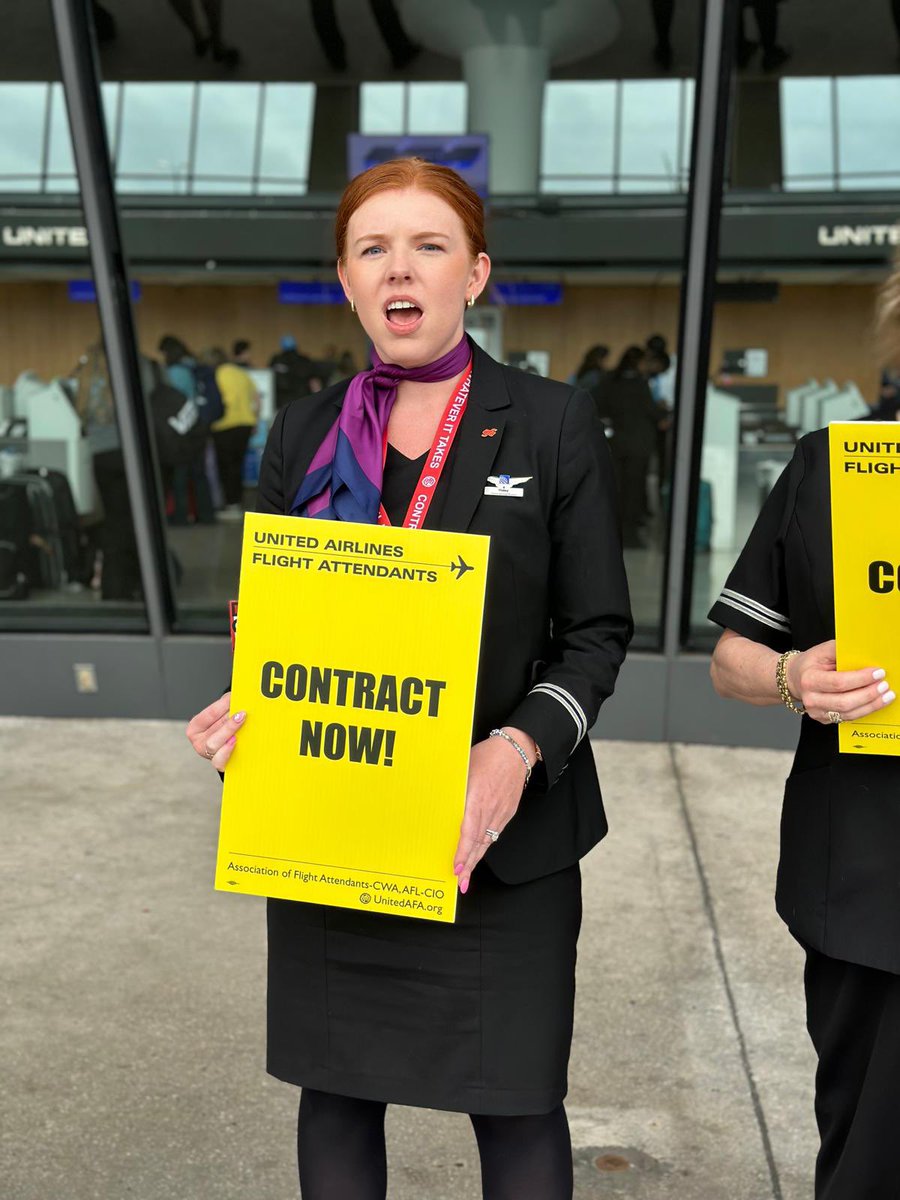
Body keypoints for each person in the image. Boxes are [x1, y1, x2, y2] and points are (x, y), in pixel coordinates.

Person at [186, 156, 632, 1199]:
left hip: (496, 842)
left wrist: (516, 749)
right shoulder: (301, 433)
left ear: (475, 274)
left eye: (429, 245)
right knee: (336, 1095)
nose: (402, 268)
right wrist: (247, 720)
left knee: (517, 1104)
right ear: (346, 280)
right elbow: (275, 622)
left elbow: (597, 632)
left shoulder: (552, 420)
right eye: (373, 248)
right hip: (335, 827)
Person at [708, 265, 900, 1199]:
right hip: (869, 880)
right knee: (866, 1153)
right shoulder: (839, 468)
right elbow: (731, 659)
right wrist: (791, 676)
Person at [592, 346, 661, 548]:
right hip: (638, 445)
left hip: (616, 443)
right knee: (634, 490)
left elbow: (596, 403)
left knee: (616, 489)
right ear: (638, 362)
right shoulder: (640, 384)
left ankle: (612, 532)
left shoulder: (610, 381)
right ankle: (630, 535)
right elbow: (651, 411)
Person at [158, 335, 215, 526]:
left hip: (181, 431)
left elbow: (170, 403)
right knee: (199, 475)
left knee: (180, 477)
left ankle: (180, 516)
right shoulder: (192, 367)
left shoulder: (174, 372)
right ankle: (207, 515)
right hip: (197, 427)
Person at [203, 347, 259, 520]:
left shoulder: (216, 375)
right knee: (237, 465)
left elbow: (219, 402)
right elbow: (256, 398)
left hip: (225, 425)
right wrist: (254, 420)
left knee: (226, 467)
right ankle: (237, 502)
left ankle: (231, 505)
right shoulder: (242, 374)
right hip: (246, 424)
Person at [269, 334, 315, 410]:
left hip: (281, 403)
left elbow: (269, 379)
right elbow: (314, 383)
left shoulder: (276, 360)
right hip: (302, 401)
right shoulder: (304, 360)